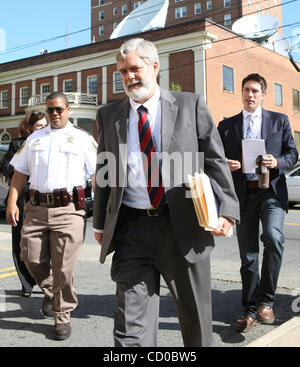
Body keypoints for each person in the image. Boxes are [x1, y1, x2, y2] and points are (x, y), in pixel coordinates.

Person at [93, 38, 239, 347]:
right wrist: (98, 223)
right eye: (123, 72)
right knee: (129, 327)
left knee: (196, 319)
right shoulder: (108, 115)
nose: (129, 77)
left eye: (135, 68)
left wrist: (226, 209)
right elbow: (104, 170)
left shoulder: (190, 104)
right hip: (131, 230)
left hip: (183, 225)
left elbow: (214, 159)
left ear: (155, 66)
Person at [6, 92, 97, 341]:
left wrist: (103, 208)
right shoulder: (34, 138)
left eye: (58, 109)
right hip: (36, 208)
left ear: (68, 110)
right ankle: (52, 293)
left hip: (70, 209)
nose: (54, 113)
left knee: (64, 267)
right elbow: (19, 173)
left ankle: (62, 315)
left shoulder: (82, 138)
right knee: (29, 256)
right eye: (50, 110)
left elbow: (96, 175)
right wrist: (12, 201)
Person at [218, 73, 298, 333]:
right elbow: (215, 158)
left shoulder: (279, 121)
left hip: (271, 191)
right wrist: (225, 164)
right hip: (242, 195)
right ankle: (250, 308)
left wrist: (277, 163)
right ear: (242, 93)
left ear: (263, 94)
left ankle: (267, 301)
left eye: (254, 91)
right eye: (246, 90)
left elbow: (292, 154)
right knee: (248, 255)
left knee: (274, 238)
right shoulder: (227, 126)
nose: (249, 95)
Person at [0, 111, 47, 297]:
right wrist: (22, 165)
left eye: (46, 125)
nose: (44, 128)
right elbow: (6, 167)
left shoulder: (50, 144)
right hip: (20, 197)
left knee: (43, 244)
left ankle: (45, 281)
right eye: (40, 126)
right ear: (30, 128)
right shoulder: (18, 144)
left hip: (43, 198)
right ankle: (26, 284)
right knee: (20, 242)